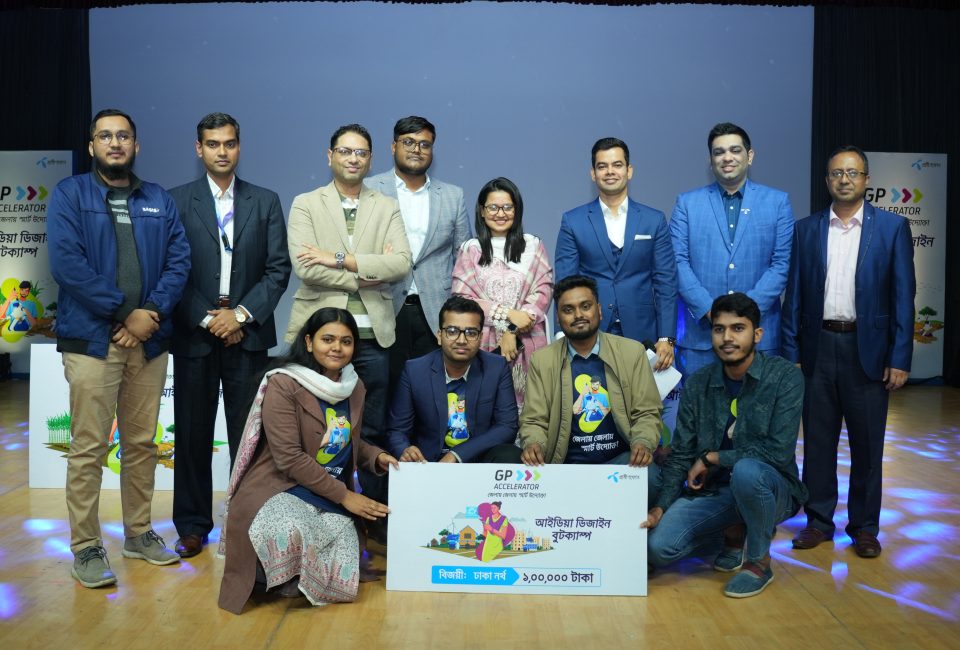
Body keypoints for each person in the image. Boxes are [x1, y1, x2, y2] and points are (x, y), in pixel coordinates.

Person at [47, 108, 191, 588]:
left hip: (147, 342)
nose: (115, 143)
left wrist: (149, 314)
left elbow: (179, 261)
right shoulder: (70, 194)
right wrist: (123, 313)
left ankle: (138, 533)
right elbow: (67, 264)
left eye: (123, 136)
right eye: (105, 136)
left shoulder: (157, 199)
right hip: (92, 341)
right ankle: (86, 547)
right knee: (89, 447)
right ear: (91, 146)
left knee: (141, 444)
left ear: (136, 145)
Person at [218, 308, 400, 614]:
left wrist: (376, 457)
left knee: (344, 542)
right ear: (308, 341)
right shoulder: (284, 383)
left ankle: (299, 578)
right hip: (282, 486)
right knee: (290, 528)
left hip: (326, 492)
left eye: (346, 341)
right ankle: (273, 576)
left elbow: (347, 441)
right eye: (327, 339)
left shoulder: (353, 386)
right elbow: (289, 458)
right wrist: (346, 496)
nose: (337, 348)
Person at [169, 112, 292, 559]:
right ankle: (192, 526)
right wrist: (210, 320)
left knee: (250, 437)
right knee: (192, 435)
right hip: (195, 334)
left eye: (229, 143)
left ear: (239, 147)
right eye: (213, 144)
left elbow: (278, 269)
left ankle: (245, 522)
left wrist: (239, 316)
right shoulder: (176, 201)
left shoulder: (266, 200)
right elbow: (171, 270)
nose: (222, 151)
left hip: (248, 335)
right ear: (198, 148)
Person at [782, 146, 915, 558]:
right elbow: (794, 297)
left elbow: (904, 297)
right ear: (827, 180)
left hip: (868, 352)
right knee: (817, 443)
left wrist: (899, 357)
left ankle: (864, 527)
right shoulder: (806, 230)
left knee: (867, 446)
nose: (844, 179)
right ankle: (819, 522)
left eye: (853, 173)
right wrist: (791, 353)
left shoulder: (892, 228)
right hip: (818, 348)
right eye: (837, 173)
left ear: (866, 180)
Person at [643, 293, 806, 598]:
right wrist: (661, 507)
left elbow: (777, 452)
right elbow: (681, 453)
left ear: (757, 334)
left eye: (738, 328)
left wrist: (712, 458)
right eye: (719, 329)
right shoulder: (698, 383)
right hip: (716, 491)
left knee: (746, 471)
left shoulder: (784, 378)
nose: (727, 338)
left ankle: (758, 562)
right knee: (659, 548)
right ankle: (731, 532)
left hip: (772, 488)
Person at [286, 123, 411, 512]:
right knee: (313, 429)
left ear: (370, 159)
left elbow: (400, 263)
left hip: (373, 336)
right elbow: (306, 268)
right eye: (345, 151)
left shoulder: (386, 206)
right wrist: (368, 272)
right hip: (320, 333)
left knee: (369, 431)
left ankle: (369, 518)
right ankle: (314, 511)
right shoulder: (306, 203)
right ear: (330, 156)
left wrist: (337, 258)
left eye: (361, 153)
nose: (353, 159)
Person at [508, 275, 662, 501]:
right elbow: (534, 420)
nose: (578, 315)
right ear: (558, 318)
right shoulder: (543, 360)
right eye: (568, 310)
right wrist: (534, 444)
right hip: (566, 468)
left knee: (650, 477)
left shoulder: (632, 352)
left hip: (619, 465)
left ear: (599, 310)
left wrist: (643, 441)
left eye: (585, 306)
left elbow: (647, 411)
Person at [670, 123, 794, 378]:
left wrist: (745, 314)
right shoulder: (687, 203)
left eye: (735, 150)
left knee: (759, 404)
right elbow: (677, 262)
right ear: (710, 160)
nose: (727, 157)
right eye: (719, 152)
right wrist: (711, 311)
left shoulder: (777, 202)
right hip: (701, 337)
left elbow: (781, 264)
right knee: (700, 404)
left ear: (750, 156)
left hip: (759, 336)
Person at [364, 116, 470, 389]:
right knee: (383, 391)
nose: (416, 149)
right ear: (393, 147)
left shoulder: (453, 196)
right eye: (408, 142)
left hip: (434, 310)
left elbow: (465, 259)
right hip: (383, 304)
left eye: (425, 144)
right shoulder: (370, 189)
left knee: (431, 393)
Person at [555, 137, 677, 371]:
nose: (610, 171)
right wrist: (562, 334)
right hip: (589, 331)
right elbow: (564, 284)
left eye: (617, 165)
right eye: (602, 166)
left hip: (643, 333)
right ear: (593, 174)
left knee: (640, 395)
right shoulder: (573, 221)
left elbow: (666, 282)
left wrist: (666, 337)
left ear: (629, 171)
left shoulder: (654, 220)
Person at [452, 177, 553, 410]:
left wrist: (512, 330)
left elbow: (543, 291)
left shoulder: (533, 246)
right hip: (482, 344)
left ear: (516, 210)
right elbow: (463, 299)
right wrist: (508, 315)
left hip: (528, 343)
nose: (500, 214)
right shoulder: (470, 250)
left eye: (507, 207)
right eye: (493, 207)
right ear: (482, 211)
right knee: (484, 409)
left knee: (531, 410)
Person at [386, 296, 518, 463]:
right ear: (439, 335)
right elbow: (397, 430)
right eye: (452, 331)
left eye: (471, 333)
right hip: (429, 463)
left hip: (477, 459)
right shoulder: (415, 370)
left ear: (480, 338)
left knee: (511, 455)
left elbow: (507, 426)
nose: (461, 340)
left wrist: (457, 455)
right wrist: (404, 450)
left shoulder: (496, 368)